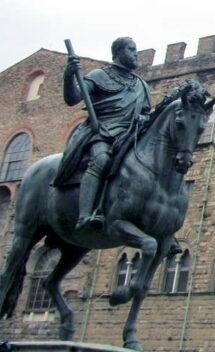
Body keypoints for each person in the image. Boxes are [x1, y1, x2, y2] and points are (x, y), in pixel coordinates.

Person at [54, 37, 152, 230]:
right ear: (118, 53)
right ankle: (85, 215)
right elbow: (72, 98)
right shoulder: (99, 75)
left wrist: (144, 119)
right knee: (101, 160)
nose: (136, 53)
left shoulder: (141, 85)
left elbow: (147, 113)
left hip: (130, 135)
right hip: (103, 133)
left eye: (136, 50)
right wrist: (69, 76)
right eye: (131, 49)